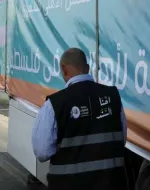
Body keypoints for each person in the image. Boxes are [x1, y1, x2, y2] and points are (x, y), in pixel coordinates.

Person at [31, 48, 127, 190]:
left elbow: (42, 152)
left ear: (64, 69)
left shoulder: (55, 104)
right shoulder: (113, 96)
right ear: (87, 68)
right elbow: (121, 139)